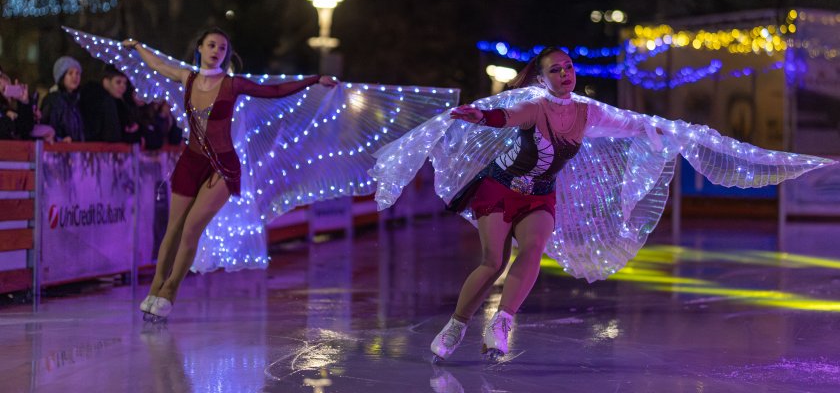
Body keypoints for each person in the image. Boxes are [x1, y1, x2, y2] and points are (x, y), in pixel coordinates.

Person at [371, 46, 834, 361]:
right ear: (542, 77)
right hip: (501, 189)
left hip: (539, 196)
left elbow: (634, 125)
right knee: (494, 260)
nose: (565, 73)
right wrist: (481, 115)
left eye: (569, 67)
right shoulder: (533, 105)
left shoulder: (590, 112)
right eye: (556, 69)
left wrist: (670, 132)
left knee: (532, 251)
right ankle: (457, 324)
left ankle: (503, 320)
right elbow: (503, 117)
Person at [121, 28, 338, 321]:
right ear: (200, 48)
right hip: (190, 162)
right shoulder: (188, 77)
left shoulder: (232, 85)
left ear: (226, 54)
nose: (216, 51)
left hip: (222, 167)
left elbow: (274, 92)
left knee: (190, 230)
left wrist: (314, 80)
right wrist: (137, 46)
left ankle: (170, 290)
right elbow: (159, 65)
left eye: (222, 48)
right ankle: (155, 287)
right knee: (172, 229)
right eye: (211, 45)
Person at [41, 56, 85, 142]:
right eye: (70, 73)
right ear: (61, 77)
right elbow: (48, 127)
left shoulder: (76, 101)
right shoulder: (53, 100)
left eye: (77, 73)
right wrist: (59, 140)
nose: (75, 77)